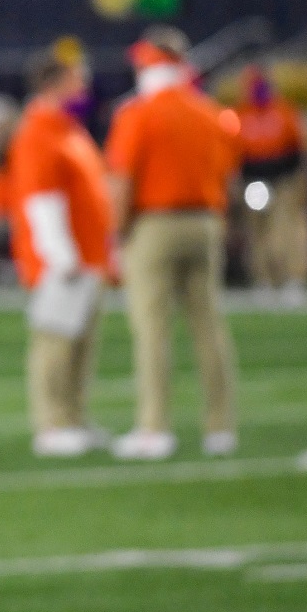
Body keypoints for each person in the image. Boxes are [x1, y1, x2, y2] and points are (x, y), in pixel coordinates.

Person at [105, 27, 241, 460]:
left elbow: (123, 181)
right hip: (204, 222)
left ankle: (154, 428)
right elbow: (228, 177)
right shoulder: (210, 112)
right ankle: (221, 428)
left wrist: (117, 233)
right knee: (209, 326)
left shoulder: (137, 113)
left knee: (152, 330)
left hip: (155, 225)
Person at [7, 44, 113, 457]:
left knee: (81, 346)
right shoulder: (39, 129)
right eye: (76, 77)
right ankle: (51, 425)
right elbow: (41, 197)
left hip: (88, 254)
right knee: (55, 343)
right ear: (55, 83)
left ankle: (73, 419)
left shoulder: (67, 126)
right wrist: (58, 253)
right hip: (63, 258)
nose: (84, 84)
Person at [232, 65, 307, 305]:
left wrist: (294, 178)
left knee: (285, 230)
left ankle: (293, 279)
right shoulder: (240, 114)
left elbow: (297, 147)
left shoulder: (284, 111)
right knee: (258, 231)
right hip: (254, 180)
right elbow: (234, 151)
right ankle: (263, 280)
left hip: (282, 178)